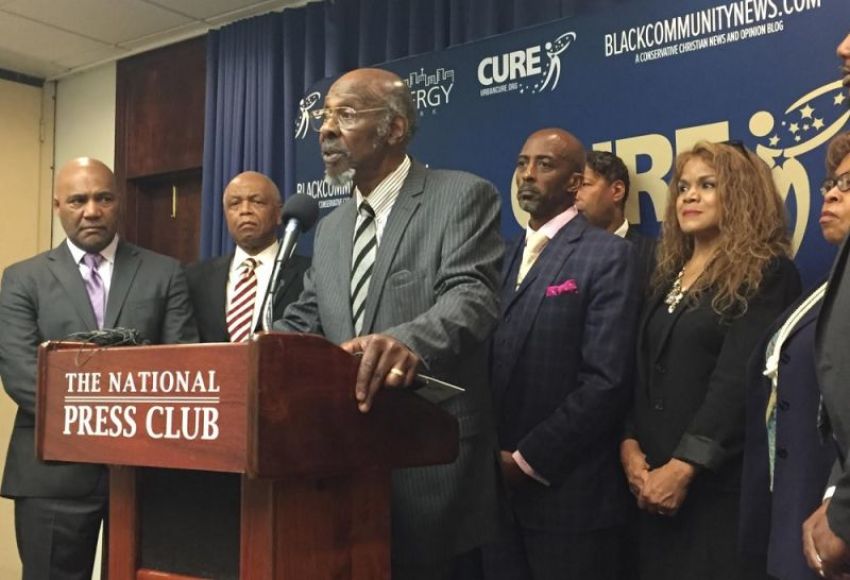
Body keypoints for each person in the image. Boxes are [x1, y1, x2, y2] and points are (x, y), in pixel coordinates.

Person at [275, 67, 503, 580]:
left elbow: (472, 297)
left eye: (346, 115)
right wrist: (252, 356)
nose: (326, 129)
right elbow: (309, 318)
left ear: (394, 129)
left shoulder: (461, 196)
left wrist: (403, 342)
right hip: (343, 469)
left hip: (431, 465)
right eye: (324, 116)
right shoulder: (331, 229)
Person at [0, 157, 198, 579]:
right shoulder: (22, 279)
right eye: (78, 200)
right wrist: (105, 423)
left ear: (119, 202)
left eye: (103, 198)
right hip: (51, 475)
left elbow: (183, 363)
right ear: (58, 206)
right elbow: (21, 372)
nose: (91, 210)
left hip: (144, 474)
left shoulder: (165, 273)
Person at [620, 141, 801, 580]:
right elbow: (640, 371)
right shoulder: (667, 271)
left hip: (715, 490)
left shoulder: (767, 273)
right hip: (649, 484)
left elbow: (738, 381)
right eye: (683, 187)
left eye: (707, 185)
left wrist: (684, 468)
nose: (689, 196)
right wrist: (628, 446)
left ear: (740, 194)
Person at [482, 128, 639, 580]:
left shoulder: (607, 255)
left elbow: (606, 381)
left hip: (569, 500)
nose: (527, 175)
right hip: (495, 499)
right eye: (521, 163)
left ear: (575, 182)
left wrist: (527, 460)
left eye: (544, 164)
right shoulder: (500, 258)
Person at [741, 132, 850, 580]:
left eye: (847, 183)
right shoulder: (825, 289)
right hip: (794, 513)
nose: (832, 193)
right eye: (831, 183)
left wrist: (839, 507)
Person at [187, 171, 309, 342]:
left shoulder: (309, 274)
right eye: (235, 204)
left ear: (278, 214)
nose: (245, 211)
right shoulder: (195, 278)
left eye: (256, 202)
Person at [576, 150, 656, 290]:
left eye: (584, 185)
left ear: (617, 191)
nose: (574, 195)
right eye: (572, 187)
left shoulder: (655, 256)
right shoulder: (562, 256)